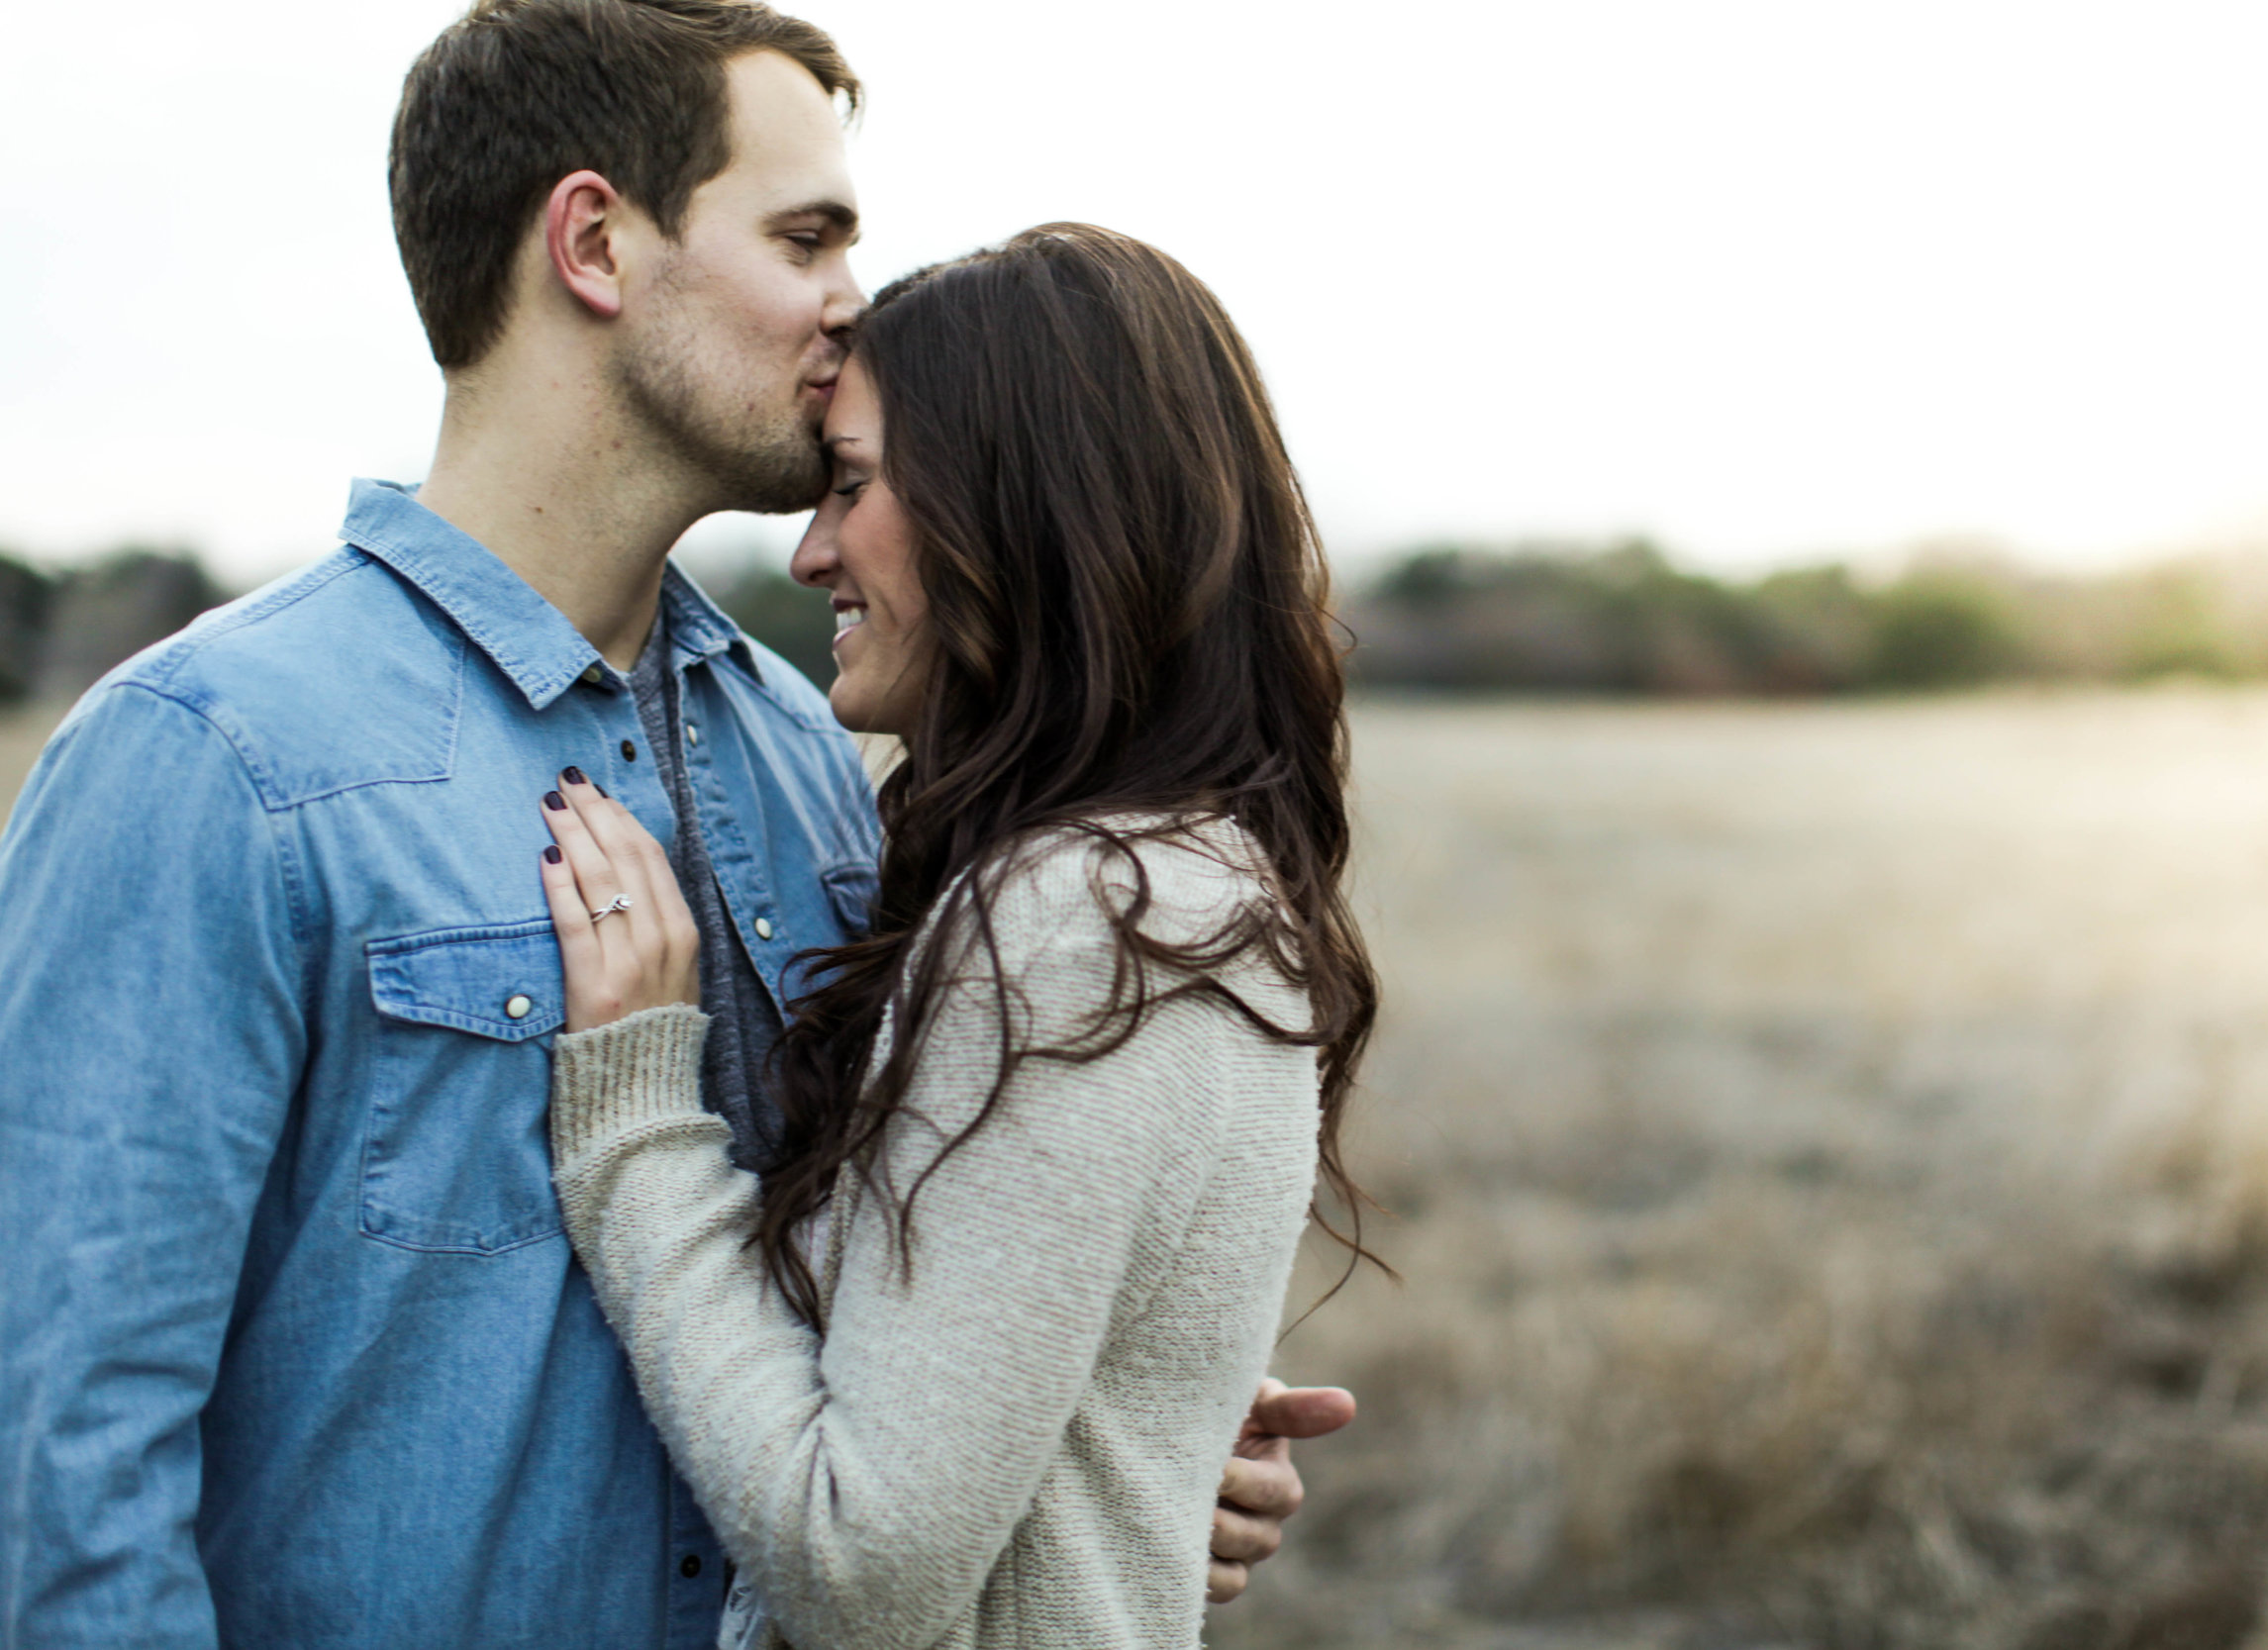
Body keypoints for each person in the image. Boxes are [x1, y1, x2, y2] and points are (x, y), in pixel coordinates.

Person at [0, 5, 1346, 1646]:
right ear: (593, 243)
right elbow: (62, 1467)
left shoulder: (810, 761)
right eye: (806, 237)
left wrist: (1099, 1435)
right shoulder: (216, 761)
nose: (857, 301)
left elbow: (869, 1353)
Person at [527, 224, 1381, 1649]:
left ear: (1021, 507)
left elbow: (861, 1571)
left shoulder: (1082, 915)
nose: (809, 551)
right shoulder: (1186, 877)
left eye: (852, 485)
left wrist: (631, 1118)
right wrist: (1142, 1457)